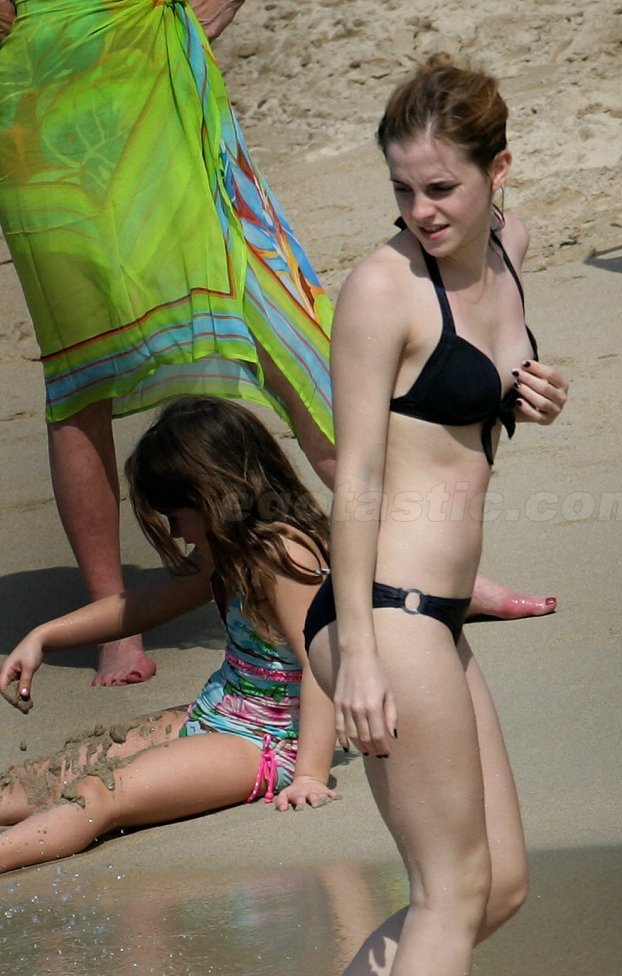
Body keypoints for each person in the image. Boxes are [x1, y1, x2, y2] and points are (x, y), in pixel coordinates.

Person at [232, 56, 567, 976]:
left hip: (437, 612)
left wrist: (527, 395)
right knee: (447, 888)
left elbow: (465, 419)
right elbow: (361, 475)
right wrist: (361, 658)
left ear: (494, 172)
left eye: (441, 188)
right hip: (383, 615)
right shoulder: (382, 288)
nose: (422, 211)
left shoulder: (510, 244)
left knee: (496, 884)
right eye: (403, 191)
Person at [0, 2, 555, 690]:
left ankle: (425, 563)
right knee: (79, 362)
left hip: (152, 67)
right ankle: (115, 623)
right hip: (37, 88)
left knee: (274, 305)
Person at [0, 397, 335, 874]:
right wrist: (44, 635)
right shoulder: (229, 546)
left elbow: (323, 662)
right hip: (216, 714)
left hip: (270, 743)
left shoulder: (285, 556)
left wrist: (311, 775)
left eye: (176, 515)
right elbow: (144, 604)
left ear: (214, 497)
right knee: (57, 772)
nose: (177, 533)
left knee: (98, 792)